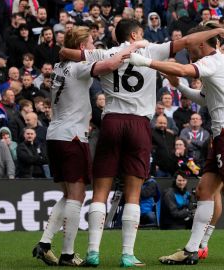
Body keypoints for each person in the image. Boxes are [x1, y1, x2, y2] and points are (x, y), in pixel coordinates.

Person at [60, 19, 224, 267]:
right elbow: (187, 41)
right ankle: (127, 255)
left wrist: (64, 47)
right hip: (139, 125)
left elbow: (71, 53)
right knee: (133, 193)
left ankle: (92, 252)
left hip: (111, 122)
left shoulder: (105, 53)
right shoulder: (152, 49)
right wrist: (218, 31)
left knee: (101, 192)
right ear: (134, 35)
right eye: (141, 33)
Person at [129, 25, 224, 266]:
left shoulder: (212, 62)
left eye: (191, 45)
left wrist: (145, 63)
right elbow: (206, 95)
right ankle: (192, 250)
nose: (188, 49)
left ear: (203, 44)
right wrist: (178, 86)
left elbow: (181, 69)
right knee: (204, 191)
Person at [32, 26, 142, 267]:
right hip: (72, 137)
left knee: (68, 194)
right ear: (81, 47)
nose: (94, 48)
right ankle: (68, 254)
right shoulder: (79, 66)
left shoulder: (60, 66)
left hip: (55, 135)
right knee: (77, 196)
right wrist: (131, 48)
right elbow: (110, 66)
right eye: (91, 44)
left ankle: (44, 243)